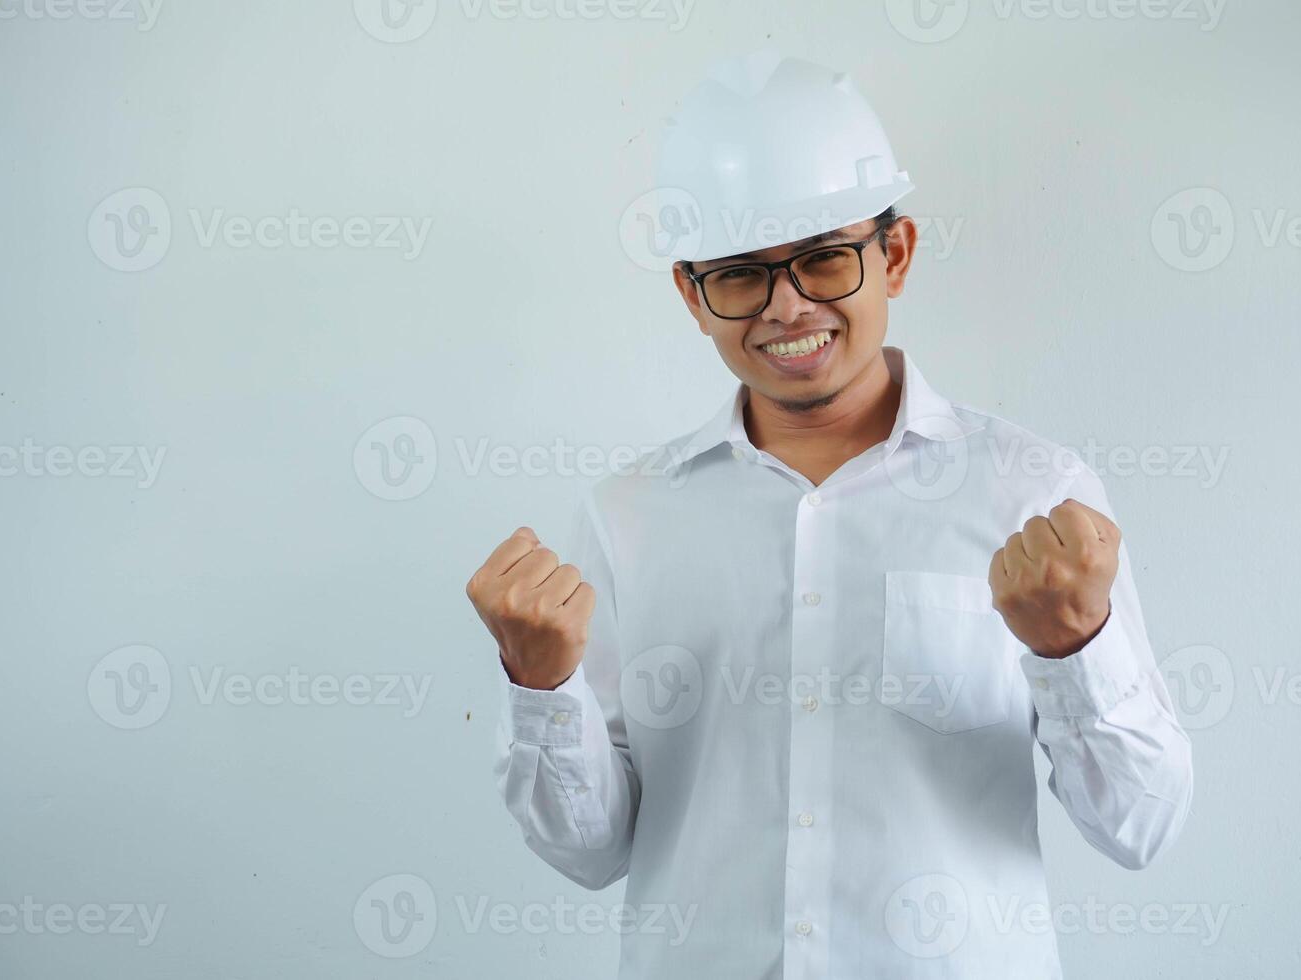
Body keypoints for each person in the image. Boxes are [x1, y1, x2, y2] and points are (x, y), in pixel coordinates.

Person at [467, 49, 1194, 980]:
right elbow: (590, 852)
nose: (786, 307)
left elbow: (1142, 826)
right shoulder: (628, 516)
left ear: (894, 254)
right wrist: (539, 687)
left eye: (823, 259)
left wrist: (1076, 651)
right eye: (740, 274)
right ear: (693, 295)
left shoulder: (1033, 494)